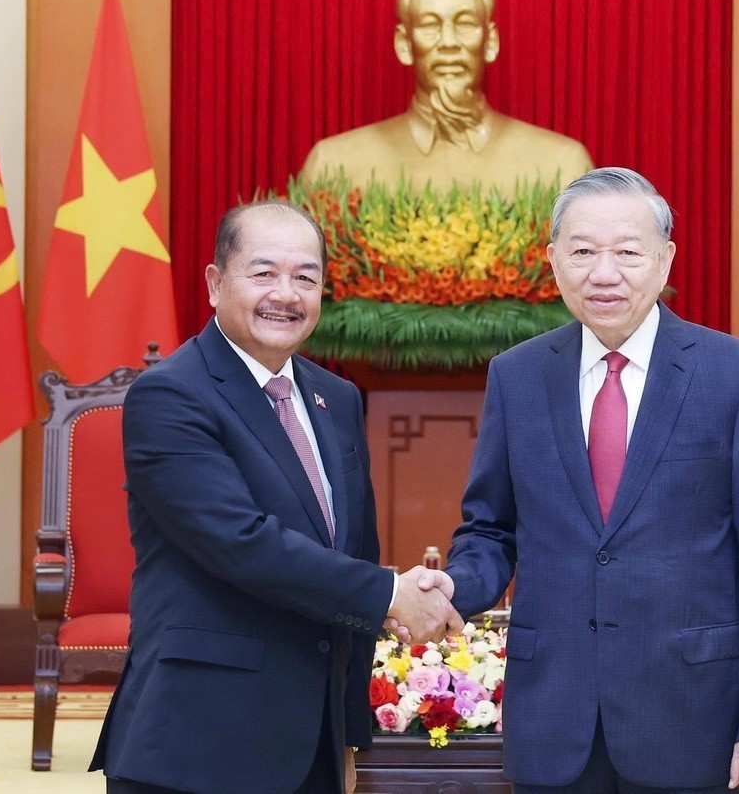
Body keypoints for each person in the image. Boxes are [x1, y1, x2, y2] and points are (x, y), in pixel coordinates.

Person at [438, 168, 739, 792]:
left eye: (628, 253)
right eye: (583, 252)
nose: (603, 274)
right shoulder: (517, 376)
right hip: (554, 711)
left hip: (691, 708)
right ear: (554, 261)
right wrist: (453, 586)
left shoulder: (733, 373)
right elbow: (491, 529)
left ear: (665, 261)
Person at [90, 199, 463, 794]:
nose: (285, 295)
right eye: (263, 273)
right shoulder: (170, 395)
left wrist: (348, 734)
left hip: (310, 745)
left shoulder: (336, 398)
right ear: (215, 284)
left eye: (305, 278)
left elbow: (353, 551)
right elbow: (241, 543)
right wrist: (392, 594)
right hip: (199, 740)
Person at [299, 0, 593, 194]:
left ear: (490, 41)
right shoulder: (333, 166)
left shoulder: (562, 165)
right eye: (430, 25)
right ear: (404, 44)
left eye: (465, 23)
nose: (449, 42)